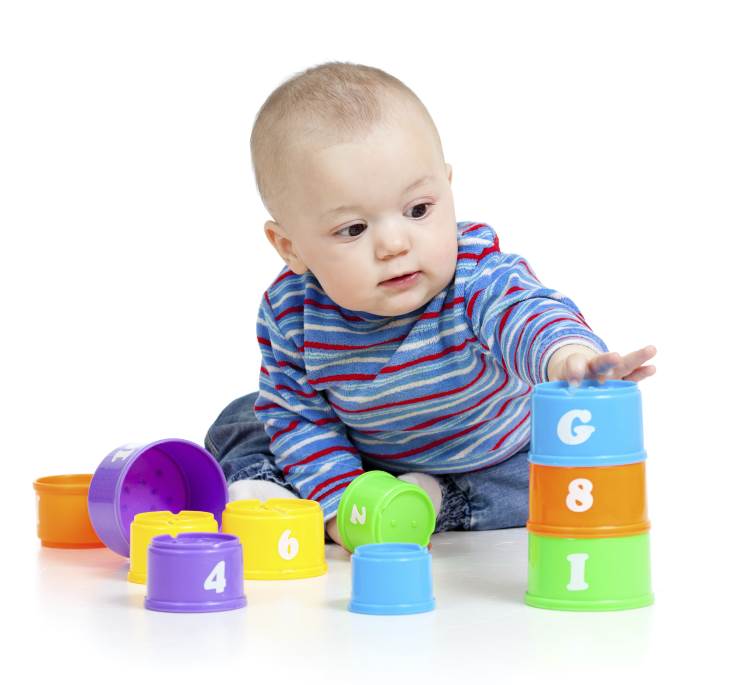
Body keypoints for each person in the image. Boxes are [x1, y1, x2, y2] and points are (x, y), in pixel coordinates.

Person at [205, 62, 657, 549]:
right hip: (365, 459)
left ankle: (438, 501)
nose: (395, 243)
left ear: (447, 188)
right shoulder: (292, 314)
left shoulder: (475, 274)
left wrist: (567, 357)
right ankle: (268, 495)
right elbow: (300, 417)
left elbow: (525, 312)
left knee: (543, 479)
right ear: (289, 246)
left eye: (419, 210)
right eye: (353, 229)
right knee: (247, 417)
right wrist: (343, 507)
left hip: (487, 455)